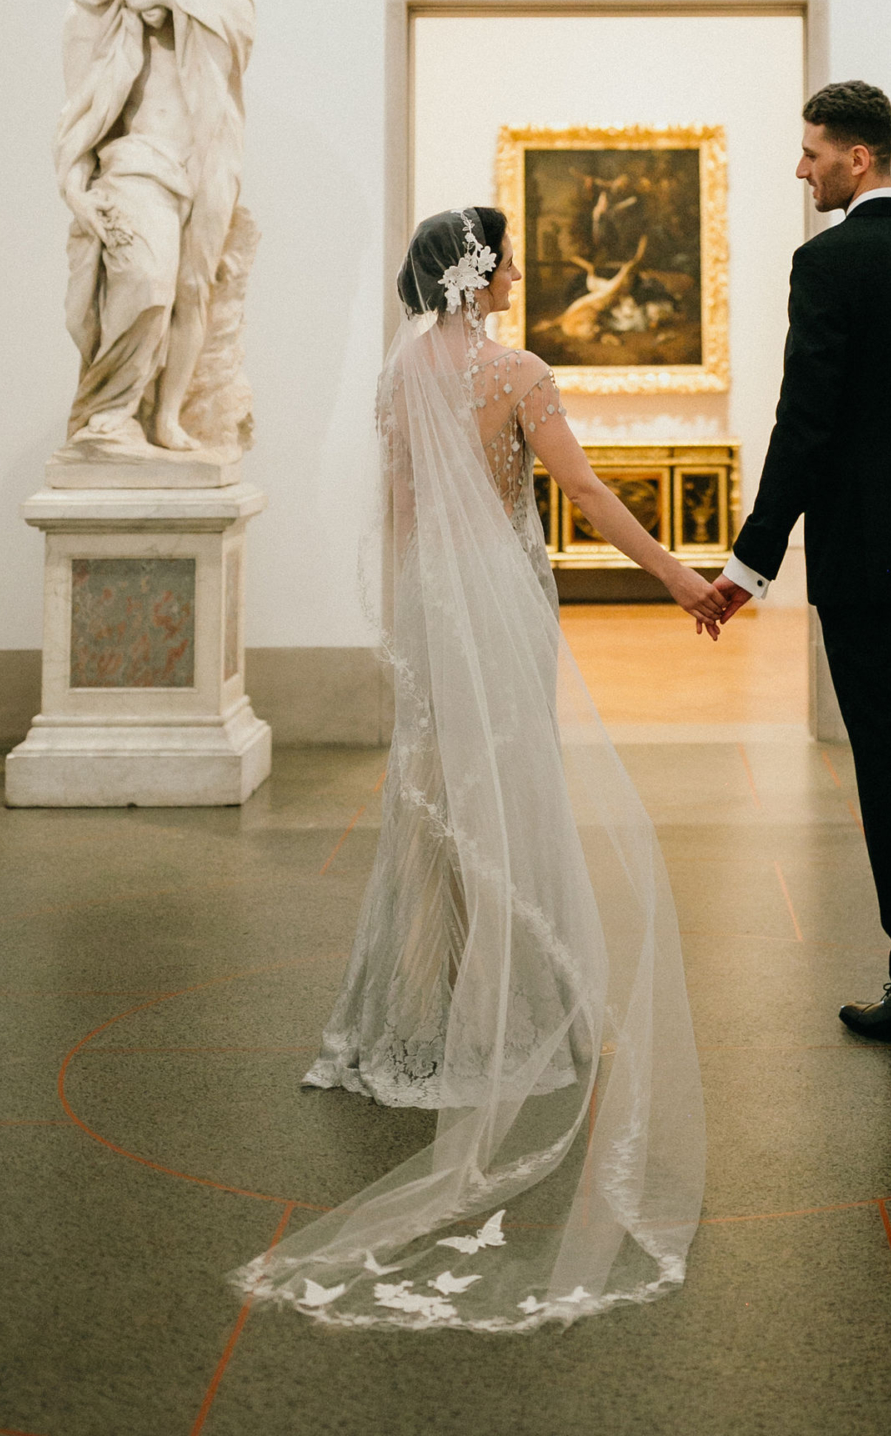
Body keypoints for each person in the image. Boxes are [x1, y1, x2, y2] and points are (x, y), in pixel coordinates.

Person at [233, 207, 725, 1334]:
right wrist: (679, 577)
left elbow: (404, 509)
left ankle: (425, 1002)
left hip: (430, 601)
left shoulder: (401, 372)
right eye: (503, 257)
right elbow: (584, 495)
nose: (515, 271)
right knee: (504, 793)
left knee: (436, 802)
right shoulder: (517, 371)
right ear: (476, 271)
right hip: (499, 602)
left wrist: (415, 616)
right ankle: (494, 1012)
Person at [714, 82, 891, 1053]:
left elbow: (809, 423)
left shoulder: (829, 262)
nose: (801, 169)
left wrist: (751, 561)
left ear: (858, 159)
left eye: (811, 153)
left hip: (865, 558)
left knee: (886, 760)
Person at [55, 0, 255, 454]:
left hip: (208, 163)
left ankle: (167, 418)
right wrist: (78, 190)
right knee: (145, 282)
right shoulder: (89, 19)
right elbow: (79, 114)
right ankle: (109, 416)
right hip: (137, 163)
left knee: (194, 292)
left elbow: (241, 18)